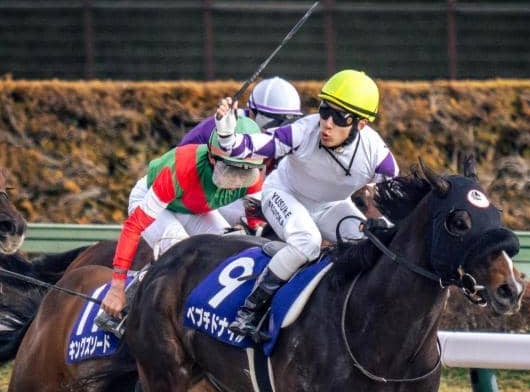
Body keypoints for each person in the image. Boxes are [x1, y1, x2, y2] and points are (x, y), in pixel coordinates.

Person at [214, 69, 399, 338]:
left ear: (361, 125)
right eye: (325, 111)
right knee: (307, 243)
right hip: (284, 194)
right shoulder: (303, 131)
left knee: (374, 245)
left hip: (330, 206)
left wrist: (379, 217)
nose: (327, 124)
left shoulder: (379, 156)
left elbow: (395, 205)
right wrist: (226, 133)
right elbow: (244, 147)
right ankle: (249, 312)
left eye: (340, 117)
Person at [100, 119, 265, 320]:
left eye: (246, 173)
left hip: (194, 207)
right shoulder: (180, 169)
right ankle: (130, 302)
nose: (236, 183)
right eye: (230, 172)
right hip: (156, 201)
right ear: (212, 158)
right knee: (179, 249)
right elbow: (133, 227)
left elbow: (256, 225)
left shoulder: (252, 176)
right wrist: (116, 287)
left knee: (232, 247)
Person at [179, 77, 303, 232]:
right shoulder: (224, 127)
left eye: (285, 126)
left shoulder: (282, 138)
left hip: (236, 191)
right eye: (274, 124)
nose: (277, 134)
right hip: (198, 193)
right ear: (252, 113)